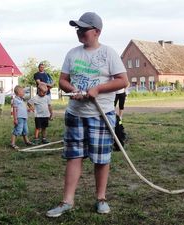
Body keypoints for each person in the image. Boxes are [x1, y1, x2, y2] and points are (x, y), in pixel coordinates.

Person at [46, 12, 128, 217]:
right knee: (74, 157)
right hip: (75, 114)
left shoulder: (109, 53)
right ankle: (67, 201)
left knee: (101, 158)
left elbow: (122, 81)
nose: (79, 32)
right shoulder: (73, 54)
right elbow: (62, 80)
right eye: (78, 29)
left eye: (83, 29)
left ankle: (101, 199)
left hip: (101, 114)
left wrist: (98, 89)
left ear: (97, 32)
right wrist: (72, 89)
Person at [10, 85, 35, 150]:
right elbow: (14, 110)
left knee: (25, 130)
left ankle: (27, 141)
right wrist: (15, 119)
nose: (24, 93)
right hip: (19, 118)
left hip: (24, 118)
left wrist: (28, 110)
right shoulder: (15, 100)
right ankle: (12, 143)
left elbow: (23, 108)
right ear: (18, 93)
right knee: (18, 130)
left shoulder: (22, 100)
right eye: (22, 92)